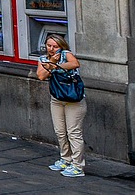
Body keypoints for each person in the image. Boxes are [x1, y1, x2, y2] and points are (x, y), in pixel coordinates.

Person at [36, 33, 86, 177]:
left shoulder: (66, 54)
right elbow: (40, 76)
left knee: (73, 132)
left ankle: (78, 166)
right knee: (60, 131)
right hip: (57, 98)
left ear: (61, 46)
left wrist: (54, 65)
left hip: (74, 100)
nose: (51, 49)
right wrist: (51, 62)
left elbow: (75, 64)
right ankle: (66, 158)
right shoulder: (43, 59)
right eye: (49, 45)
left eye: (55, 46)